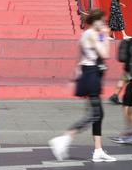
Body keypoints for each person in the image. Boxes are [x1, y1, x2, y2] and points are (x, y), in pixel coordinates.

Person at [49, 9, 116, 162]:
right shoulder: (92, 34)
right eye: (102, 21)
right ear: (95, 21)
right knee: (95, 114)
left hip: (89, 73)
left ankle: (98, 150)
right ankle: (65, 137)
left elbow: (80, 58)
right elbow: (105, 54)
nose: (104, 24)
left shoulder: (86, 34)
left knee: (98, 113)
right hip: (91, 74)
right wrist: (105, 36)